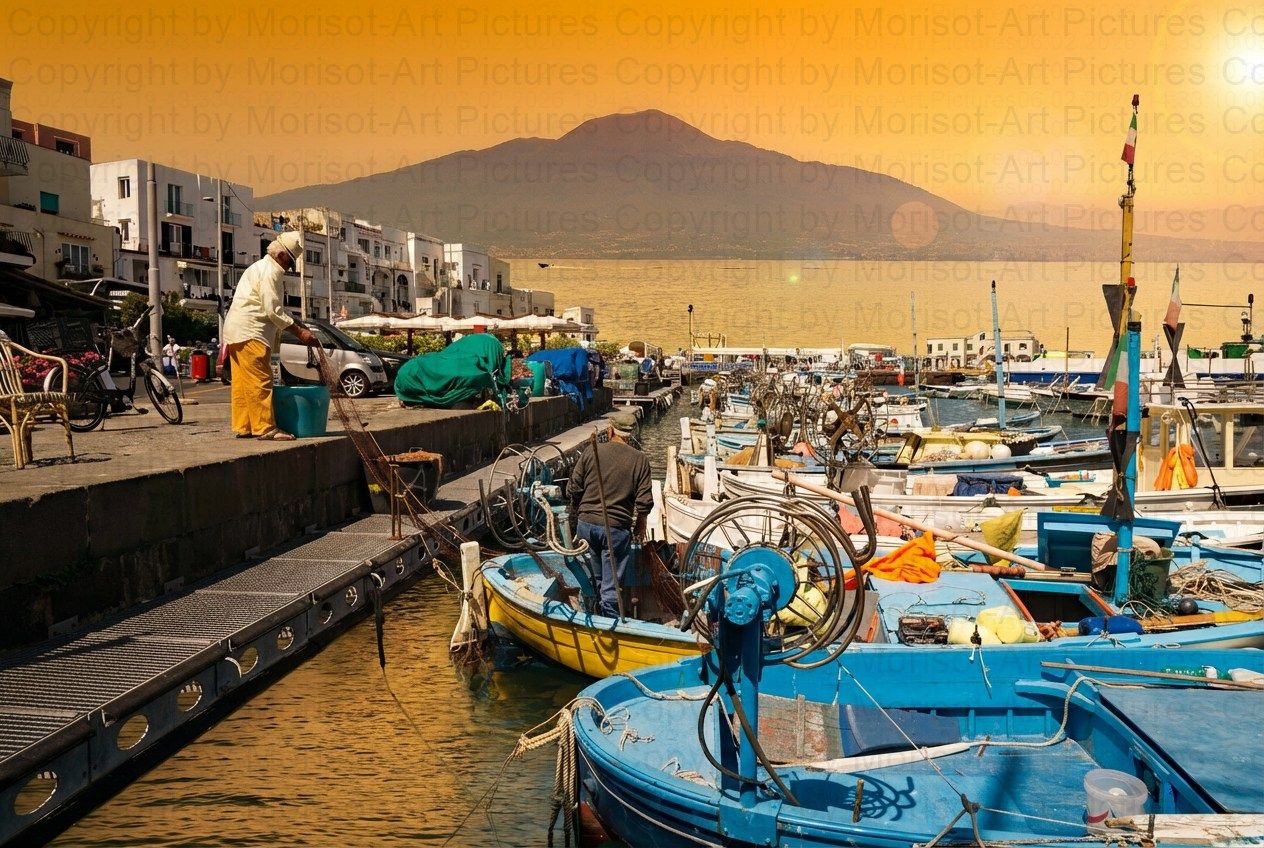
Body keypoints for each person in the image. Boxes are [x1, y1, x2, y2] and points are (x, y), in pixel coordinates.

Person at [222, 231, 318, 440]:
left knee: (242, 383)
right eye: (290, 263)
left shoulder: (258, 267)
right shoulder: (272, 272)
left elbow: (272, 307)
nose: (288, 268)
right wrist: (299, 332)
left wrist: (296, 322)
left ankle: (245, 425)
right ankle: (265, 428)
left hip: (236, 330)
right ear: (282, 256)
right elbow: (272, 310)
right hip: (252, 331)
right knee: (259, 380)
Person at [568, 414, 653, 618]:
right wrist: (640, 525)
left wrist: (578, 515)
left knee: (598, 578)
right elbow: (644, 502)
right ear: (631, 435)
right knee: (612, 585)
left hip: (586, 525)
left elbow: (573, 488)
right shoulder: (639, 459)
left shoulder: (592, 451)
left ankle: (598, 615)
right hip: (615, 528)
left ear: (611, 431)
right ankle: (610, 622)